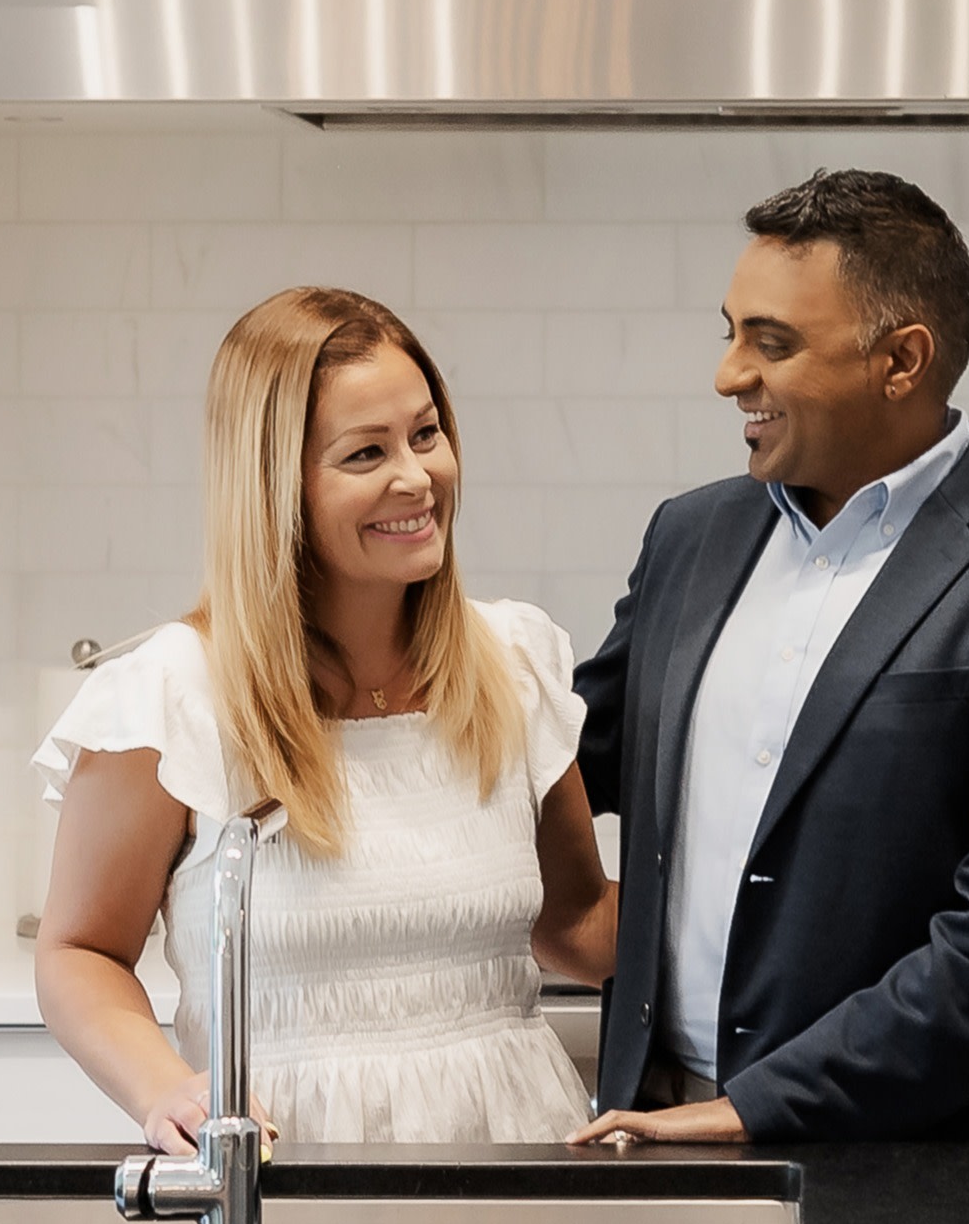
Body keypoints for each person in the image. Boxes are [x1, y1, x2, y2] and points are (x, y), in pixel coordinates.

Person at [567, 167, 969, 1145]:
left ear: (901, 359)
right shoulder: (689, 537)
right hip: (652, 1136)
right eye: (731, 330)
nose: (728, 374)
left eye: (772, 342)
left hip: (914, 1184)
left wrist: (750, 1110)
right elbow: (566, 763)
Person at [31, 285, 617, 1146]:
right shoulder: (174, 696)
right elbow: (78, 952)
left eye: (426, 433)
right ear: (277, 488)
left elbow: (573, 921)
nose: (416, 476)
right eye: (365, 453)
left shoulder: (511, 660)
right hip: (288, 1185)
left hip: (519, 1178)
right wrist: (168, 1091)